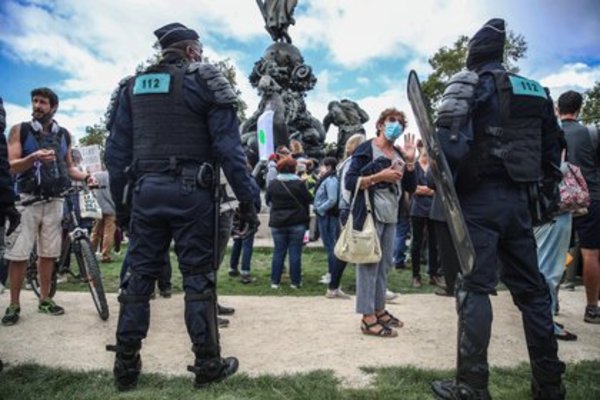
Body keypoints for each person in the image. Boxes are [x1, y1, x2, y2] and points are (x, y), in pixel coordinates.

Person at [104, 23, 260, 391]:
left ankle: (125, 368)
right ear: (191, 52)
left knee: (138, 279)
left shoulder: (131, 88)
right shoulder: (204, 80)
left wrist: (125, 209)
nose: (201, 56)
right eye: (199, 50)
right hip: (192, 193)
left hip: (144, 193)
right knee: (197, 280)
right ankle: (208, 364)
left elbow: (115, 156)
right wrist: (249, 200)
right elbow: (229, 150)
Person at [431, 19, 566, 400]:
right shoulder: (535, 91)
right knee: (534, 293)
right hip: (519, 204)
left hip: (478, 201)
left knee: (475, 289)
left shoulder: (470, 83)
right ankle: (550, 385)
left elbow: (449, 148)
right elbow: (551, 154)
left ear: (475, 52)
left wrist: (448, 190)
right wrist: (539, 198)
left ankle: (472, 386)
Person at [2, 88, 95, 326]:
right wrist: (33, 157)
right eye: (34, 101)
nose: (37, 106)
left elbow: (70, 167)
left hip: (55, 200)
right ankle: (14, 304)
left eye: (42, 102)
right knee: (19, 254)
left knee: (49, 254)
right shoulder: (19, 130)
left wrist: (86, 177)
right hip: (27, 199)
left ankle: (45, 299)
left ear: (53, 107)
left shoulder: (64, 134)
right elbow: (11, 166)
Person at [345, 108, 416, 338]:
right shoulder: (367, 149)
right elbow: (350, 181)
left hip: (392, 215)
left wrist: (411, 162)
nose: (396, 125)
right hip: (369, 215)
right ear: (380, 124)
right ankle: (367, 318)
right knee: (368, 264)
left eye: (400, 123)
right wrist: (379, 177)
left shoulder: (397, 152)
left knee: (384, 264)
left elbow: (411, 187)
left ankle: (379, 309)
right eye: (391, 121)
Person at [558, 90, 600, 324]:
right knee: (591, 253)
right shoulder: (592, 134)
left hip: (559, 200)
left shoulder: (550, 133)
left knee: (555, 251)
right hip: (591, 197)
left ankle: (551, 303)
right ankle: (592, 308)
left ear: (557, 109)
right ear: (579, 109)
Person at [327, 133, 366, 299]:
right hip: (351, 208)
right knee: (358, 246)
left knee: (345, 249)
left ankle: (333, 287)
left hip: (344, 208)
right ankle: (371, 287)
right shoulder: (354, 163)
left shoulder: (344, 164)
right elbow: (350, 188)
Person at [265, 156, 312, 288]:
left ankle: (275, 281)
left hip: (277, 222)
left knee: (278, 251)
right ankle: (295, 282)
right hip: (297, 222)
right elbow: (308, 199)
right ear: (293, 168)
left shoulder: (273, 183)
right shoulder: (299, 184)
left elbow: (268, 200)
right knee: (295, 253)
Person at [408, 145, 443, 289]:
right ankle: (416, 275)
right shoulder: (414, 166)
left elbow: (439, 188)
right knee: (416, 243)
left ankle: (433, 274)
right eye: (423, 150)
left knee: (433, 243)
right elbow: (412, 188)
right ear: (419, 150)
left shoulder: (435, 167)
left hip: (433, 209)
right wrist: (428, 190)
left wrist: (424, 190)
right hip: (417, 210)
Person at [314, 157, 339, 286]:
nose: (320, 168)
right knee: (329, 245)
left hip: (327, 215)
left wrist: (320, 209)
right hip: (326, 214)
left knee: (330, 246)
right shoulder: (327, 179)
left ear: (329, 167)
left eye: (323, 166)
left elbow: (332, 199)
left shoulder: (331, 180)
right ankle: (331, 273)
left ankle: (332, 274)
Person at [91, 169, 117, 263]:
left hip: (99, 205)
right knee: (108, 232)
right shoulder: (113, 175)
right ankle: (105, 255)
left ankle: (90, 252)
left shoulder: (96, 175)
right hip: (111, 207)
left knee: (95, 231)